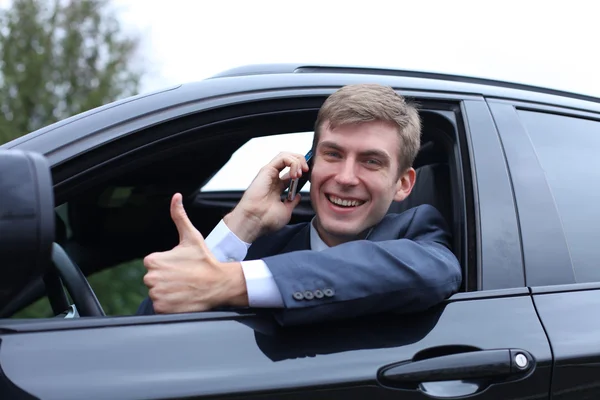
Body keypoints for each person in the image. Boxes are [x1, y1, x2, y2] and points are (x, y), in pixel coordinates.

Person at [137, 83, 462, 326]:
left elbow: (433, 273)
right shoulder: (260, 250)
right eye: (332, 154)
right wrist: (245, 220)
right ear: (309, 166)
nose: (346, 177)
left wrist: (228, 283)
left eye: (371, 161)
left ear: (402, 184)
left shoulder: (417, 233)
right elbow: (147, 332)